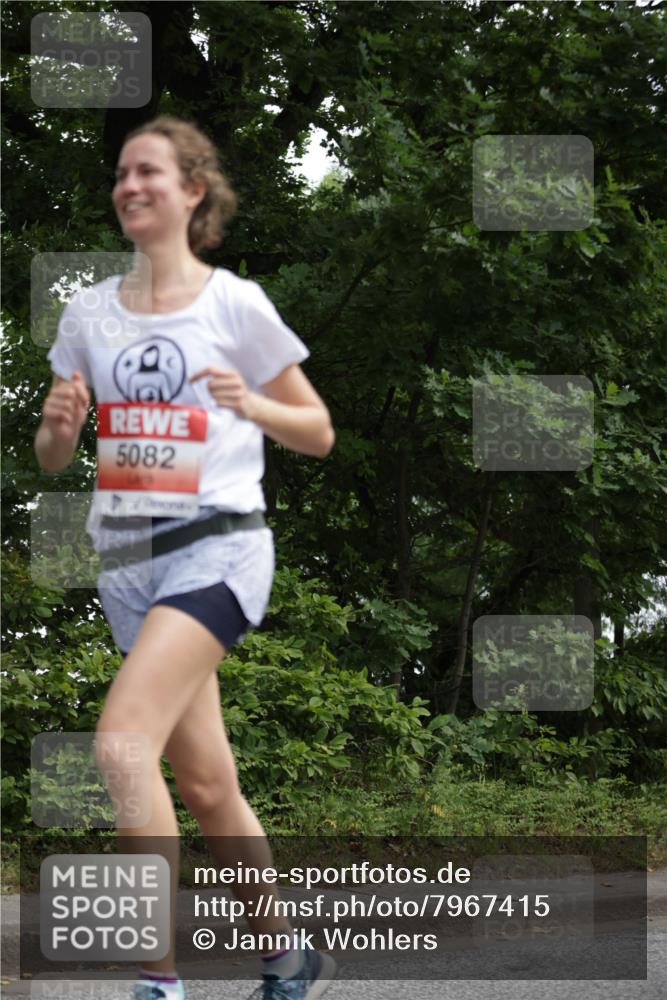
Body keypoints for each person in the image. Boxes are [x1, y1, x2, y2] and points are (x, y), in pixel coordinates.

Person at [35, 115, 336, 1000]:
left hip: (219, 550)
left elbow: (316, 431)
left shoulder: (234, 304)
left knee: (122, 749)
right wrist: (59, 432)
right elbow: (58, 458)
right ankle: (292, 960)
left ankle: (156, 983)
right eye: (121, 174)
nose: (130, 186)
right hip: (129, 567)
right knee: (205, 784)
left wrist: (255, 403)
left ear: (193, 191)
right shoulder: (89, 311)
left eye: (150, 173)